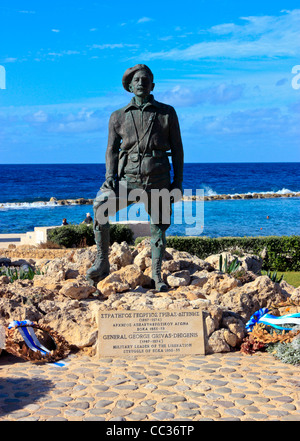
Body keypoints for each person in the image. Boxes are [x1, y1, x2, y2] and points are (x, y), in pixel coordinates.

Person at [86, 64, 184, 291]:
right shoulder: (117, 116)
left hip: (158, 177)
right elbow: (111, 149)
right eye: (136, 80)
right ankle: (102, 261)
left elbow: (178, 149)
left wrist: (177, 182)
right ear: (130, 86)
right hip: (128, 178)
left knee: (159, 226)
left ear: (153, 85)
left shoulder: (167, 113)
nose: (140, 83)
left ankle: (157, 276)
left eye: (145, 79)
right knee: (100, 206)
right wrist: (110, 175)